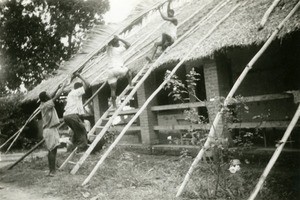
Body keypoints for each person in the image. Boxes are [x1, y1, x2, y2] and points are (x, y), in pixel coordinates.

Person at [39, 81, 66, 177]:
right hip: (49, 130)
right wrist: (62, 87)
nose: (49, 95)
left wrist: (57, 87)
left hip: (50, 129)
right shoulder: (47, 105)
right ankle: (52, 171)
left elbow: (51, 96)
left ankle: (52, 170)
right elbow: (55, 97)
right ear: (46, 98)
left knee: (53, 150)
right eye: (47, 95)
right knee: (52, 150)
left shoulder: (44, 103)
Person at [63, 72, 90, 153]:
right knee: (82, 131)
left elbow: (80, 111)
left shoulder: (71, 94)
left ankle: (72, 144)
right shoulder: (76, 92)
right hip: (72, 116)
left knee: (77, 131)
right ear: (79, 89)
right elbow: (88, 84)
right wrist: (79, 76)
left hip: (67, 117)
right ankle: (81, 149)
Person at [107, 35, 133, 108]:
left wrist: (113, 39)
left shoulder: (108, 49)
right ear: (115, 43)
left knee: (113, 89)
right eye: (118, 42)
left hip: (110, 71)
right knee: (129, 71)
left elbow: (108, 43)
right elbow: (128, 44)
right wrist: (120, 38)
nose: (119, 43)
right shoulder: (118, 49)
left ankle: (114, 105)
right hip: (118, 69)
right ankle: (130, 84)